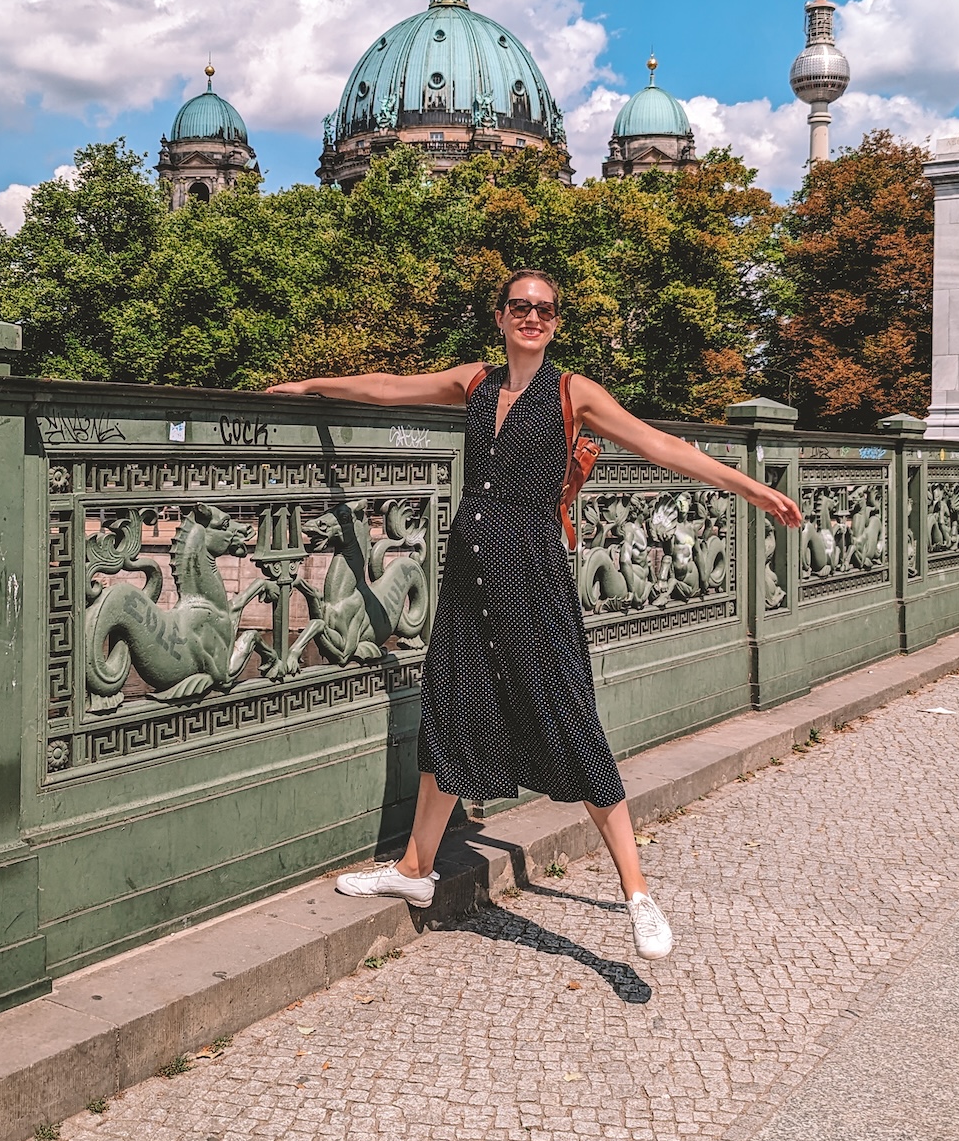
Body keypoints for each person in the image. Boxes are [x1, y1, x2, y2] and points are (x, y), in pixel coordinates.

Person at [267, 271, 802, 959]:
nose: (532, 317)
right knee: (449, 710)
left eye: (544, 310)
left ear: (555, 322)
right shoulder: (475, 382)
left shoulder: (574, 393)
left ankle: (638, 896)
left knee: (569, 718)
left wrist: (753, 489)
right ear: (500, 316)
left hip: (532, 576)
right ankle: (414, 872)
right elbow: (391, 385)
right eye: (520, 306)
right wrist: (312, 389)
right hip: (468, 577)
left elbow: (661, 445)